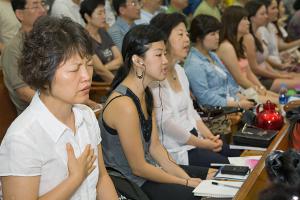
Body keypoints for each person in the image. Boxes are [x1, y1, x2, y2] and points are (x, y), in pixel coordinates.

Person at [0, 16, 118, 200]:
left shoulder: (85, 115)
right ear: (43, 72)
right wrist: (75, 179)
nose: (86, 76)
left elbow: (102, 179)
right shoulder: (22, 138)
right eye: (74, 69)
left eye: (88, 65)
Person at [100, 24, 213, 200]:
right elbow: (138, 168)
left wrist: (186, 178)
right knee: (201, 195)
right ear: (138, 60)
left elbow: (155, 147)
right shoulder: (124, 104)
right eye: (159, 54)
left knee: (214, 177)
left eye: (165, 54)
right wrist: (183, 183)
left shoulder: (146, 93)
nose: (165, 60)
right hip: (132, 185)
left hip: (149, 173)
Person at [149, 13, 240, 168]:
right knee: (230, 166)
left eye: (187, 34)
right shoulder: (155, 79)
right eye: (180, 34)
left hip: (196, 141)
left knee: (240, 154)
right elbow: (166, 124)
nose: (186, 39)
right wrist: (203, 143)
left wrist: (210, 137)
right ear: (163, 39)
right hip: (176, 150)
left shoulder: (179, 70)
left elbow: (191, 112)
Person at [185, 14, 253, 109]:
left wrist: (241, 98)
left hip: (232, 100)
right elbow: (205, 98)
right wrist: (237, 104)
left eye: (217, 33)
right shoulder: (193, 64)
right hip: (219, 112)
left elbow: (229, 81)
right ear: (199, 37)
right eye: (212, 34)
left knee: (266, 103)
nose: (217, 37)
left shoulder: (212, 55)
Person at [217, 6, 278, 104]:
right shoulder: (226, 47)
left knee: (284, 98)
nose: (248, 22)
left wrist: (261, 88)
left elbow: (249, 73)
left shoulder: (239, 44)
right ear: (234, 22)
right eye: (244, 19)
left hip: (248, 88)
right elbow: (239, 79)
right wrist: (257, 90)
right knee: (282, 102)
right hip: (238, 93)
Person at [1, 0, 47, 114]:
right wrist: (58, 105)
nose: (42, 10)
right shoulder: (13, 49)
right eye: (35, 6)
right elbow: (24, 93)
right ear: (20, 14)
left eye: (42, 4)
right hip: (35, 115)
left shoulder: (48, 40)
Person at [244, 0, 300, 91]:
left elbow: (263, 61)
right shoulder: (249, 37)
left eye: (266, 13)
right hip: (261, 80)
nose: (266, 16)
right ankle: (291, 96)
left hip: (268, 74)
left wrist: (279, 72)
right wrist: (278, 75)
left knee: (296, 83)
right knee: (298, 86)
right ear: (252, 18)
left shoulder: (257, 33)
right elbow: (255, 68)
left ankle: (293, 95)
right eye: (262, 14)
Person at [80, 0, 122, 82]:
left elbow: (120, 59)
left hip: (115, 78)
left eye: (104, 12)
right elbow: (101, 72)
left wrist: (103, 67)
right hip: (101, 86)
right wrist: (119, 86)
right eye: (99, 13)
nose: (104, 16)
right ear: (87, 17)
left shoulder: (102, 32)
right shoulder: (84, 38)